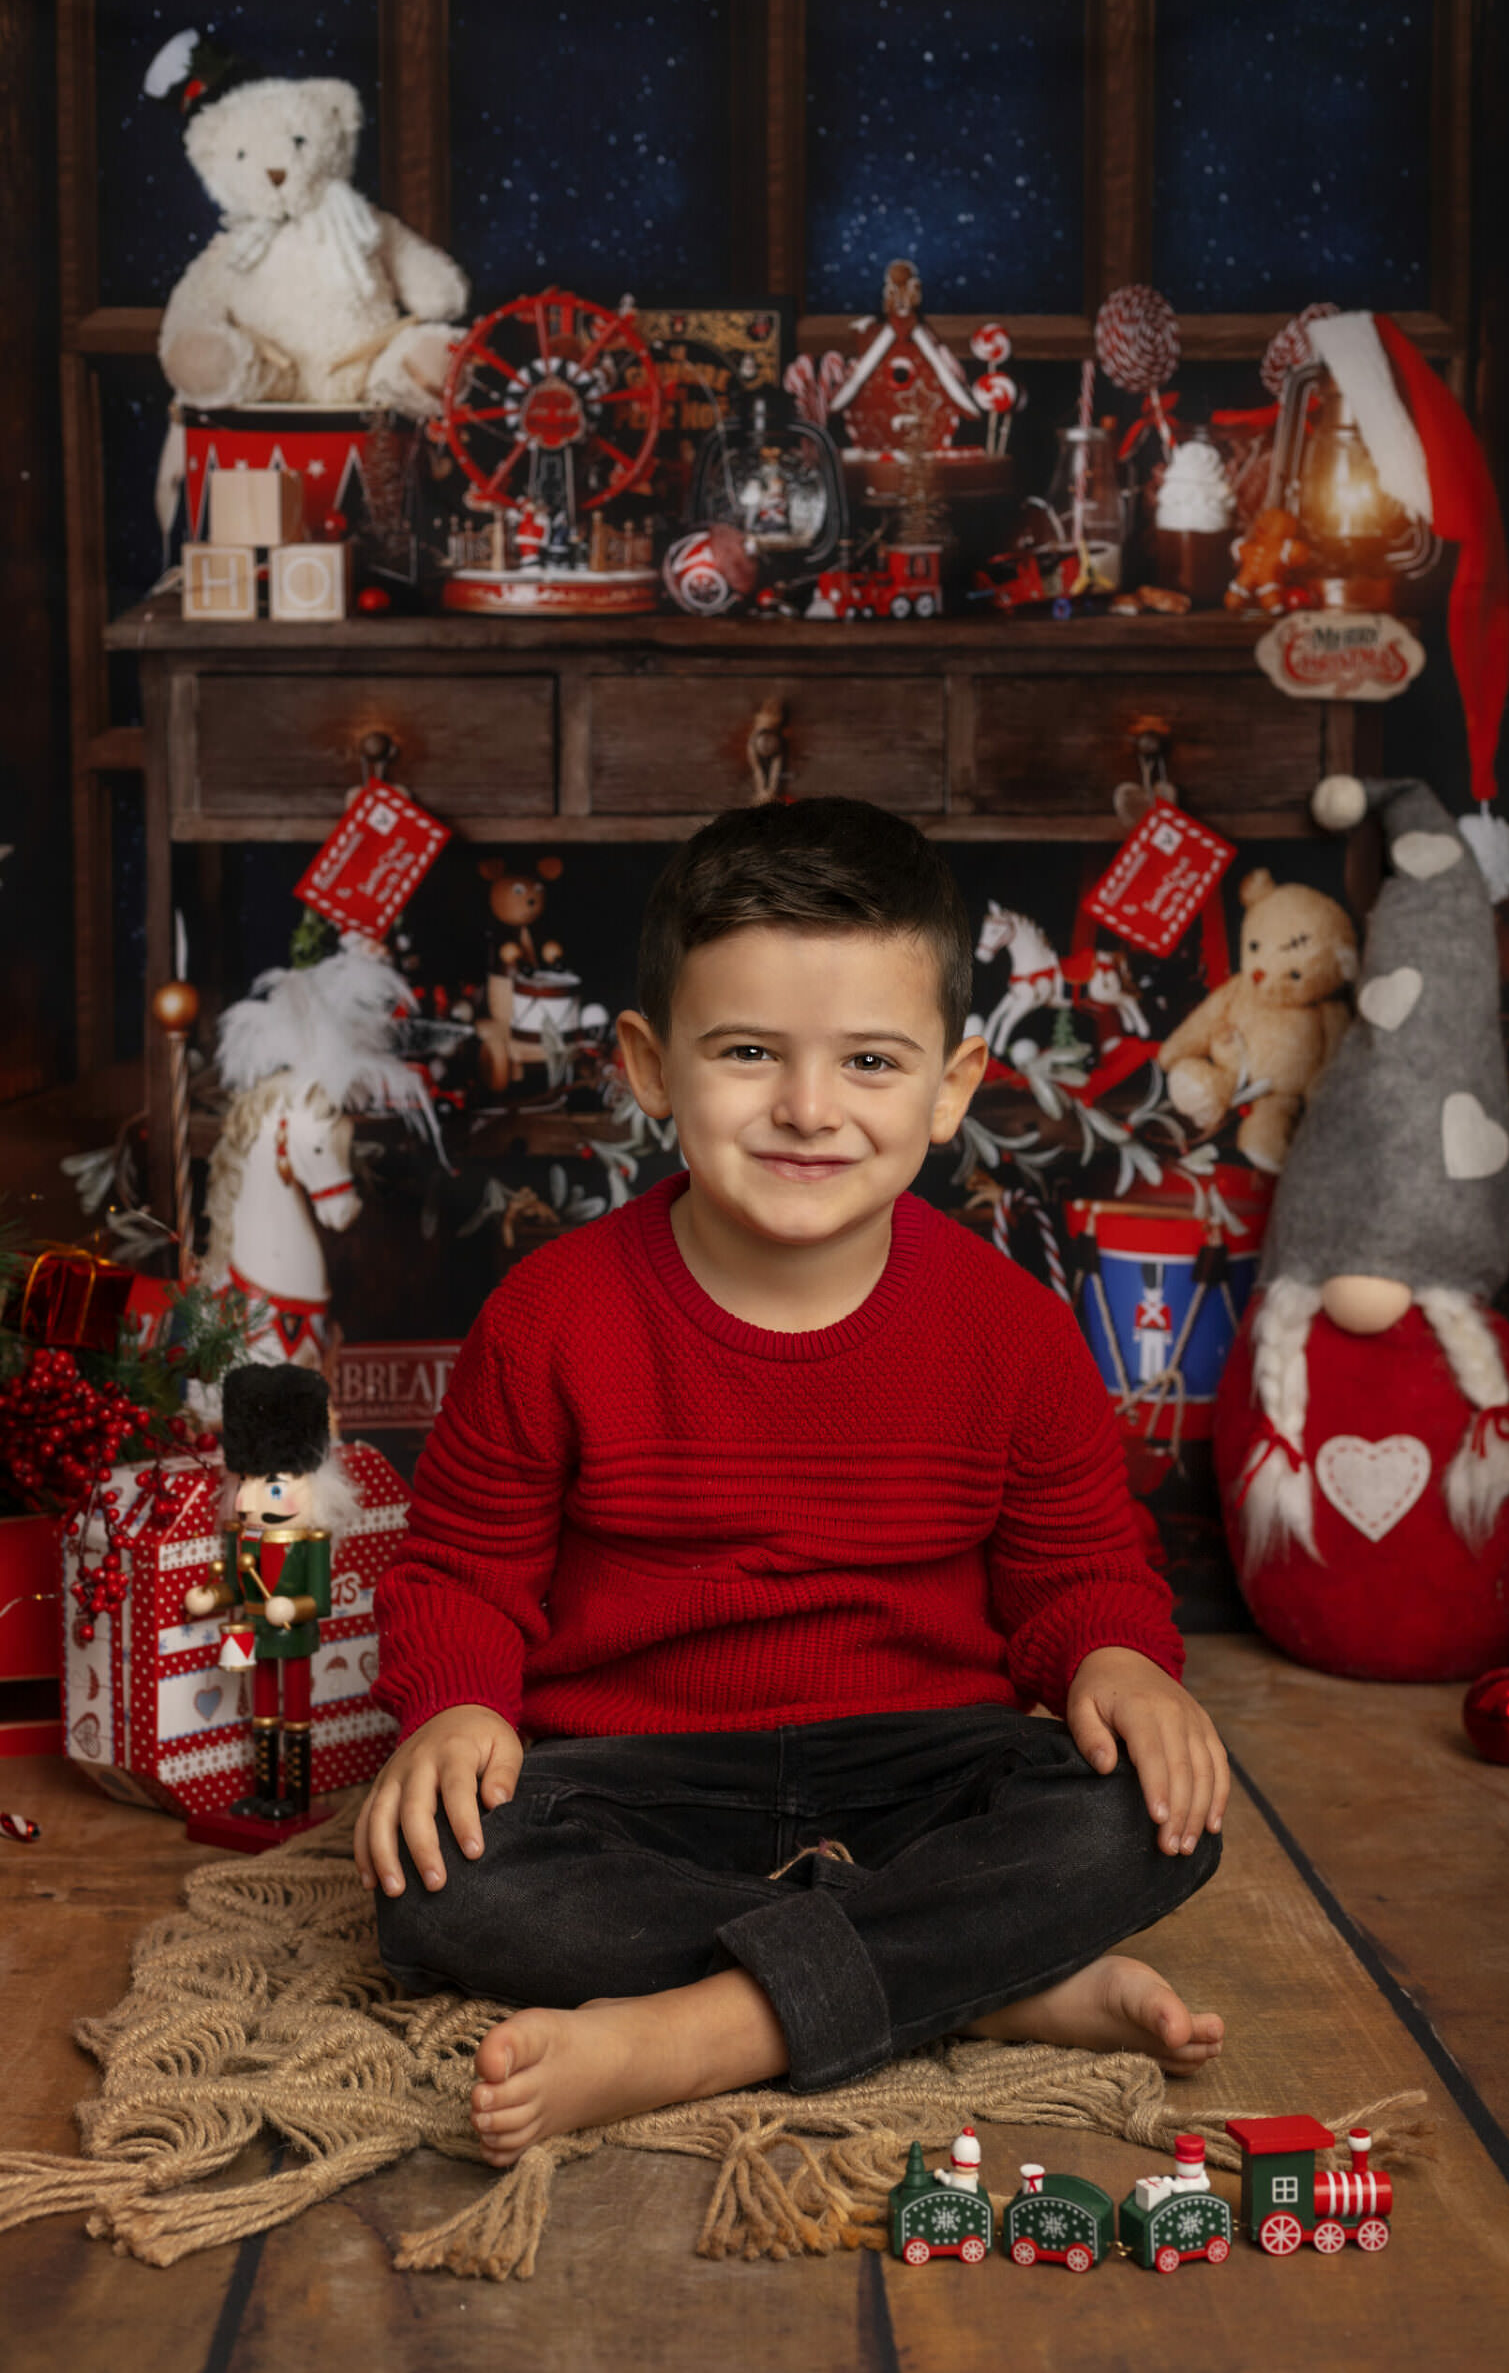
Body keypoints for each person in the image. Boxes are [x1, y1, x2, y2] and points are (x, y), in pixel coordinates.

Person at [359, 797, 1228, 2169]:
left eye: (871, 1062)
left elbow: (1079, 1571)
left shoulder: (1008, 1326)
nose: (809, 1109)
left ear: (949, 1088)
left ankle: (697, 2029)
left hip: (918, 1766)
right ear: (651, 1065)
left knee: (1149, 1819)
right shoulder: (553, 1314)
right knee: (439, 1881)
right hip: (637, 1780)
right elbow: (462, 1571)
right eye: (750, 1052)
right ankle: (978, 1980)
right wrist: (455, 1709)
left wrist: (1118, 1658)